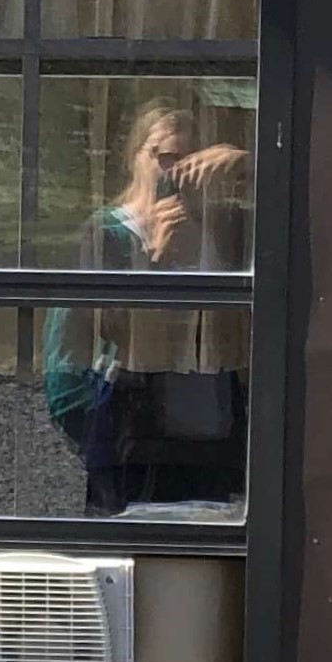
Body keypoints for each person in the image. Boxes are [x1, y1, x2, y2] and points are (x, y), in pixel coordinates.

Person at [42, 103, 250, 513]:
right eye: (164, 157)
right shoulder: (107, 235)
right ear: (136, 157)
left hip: (214, 436)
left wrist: (246, 162)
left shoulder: (225, 229)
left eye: (189, 161)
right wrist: (153, 260)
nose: (174, 172)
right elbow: (77, 343)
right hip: (134, 438)